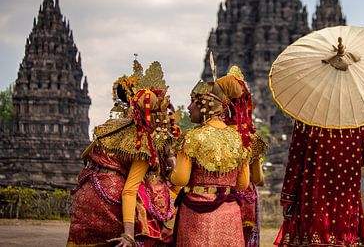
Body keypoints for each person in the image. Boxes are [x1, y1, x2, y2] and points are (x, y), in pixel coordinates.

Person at [67, 61, 178, 247]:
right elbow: (129, 190)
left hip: (87, 193)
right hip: (111, 200)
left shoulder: (109, 127)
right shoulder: (142, 139)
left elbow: (85, 155)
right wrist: (128, 234)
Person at [170, 79, 250, 247]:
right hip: (228, 212)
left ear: (205, 105)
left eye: (193, 101)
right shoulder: (239, 138)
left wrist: (171, 168)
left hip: (196, 213)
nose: (188, 107)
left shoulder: (193, 137)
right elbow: (242, 184)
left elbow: (181, 179)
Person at [275, 121, 364, 247]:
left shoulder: (307, 117)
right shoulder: (355, 119)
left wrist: (288, 197)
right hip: (346, 202)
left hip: (312, 199)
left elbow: (295, 160)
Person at [216, 66, 268, 247]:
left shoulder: (208, 133)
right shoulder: (249, 137)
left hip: (214, 197)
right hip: (245, 199)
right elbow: (258, 178)